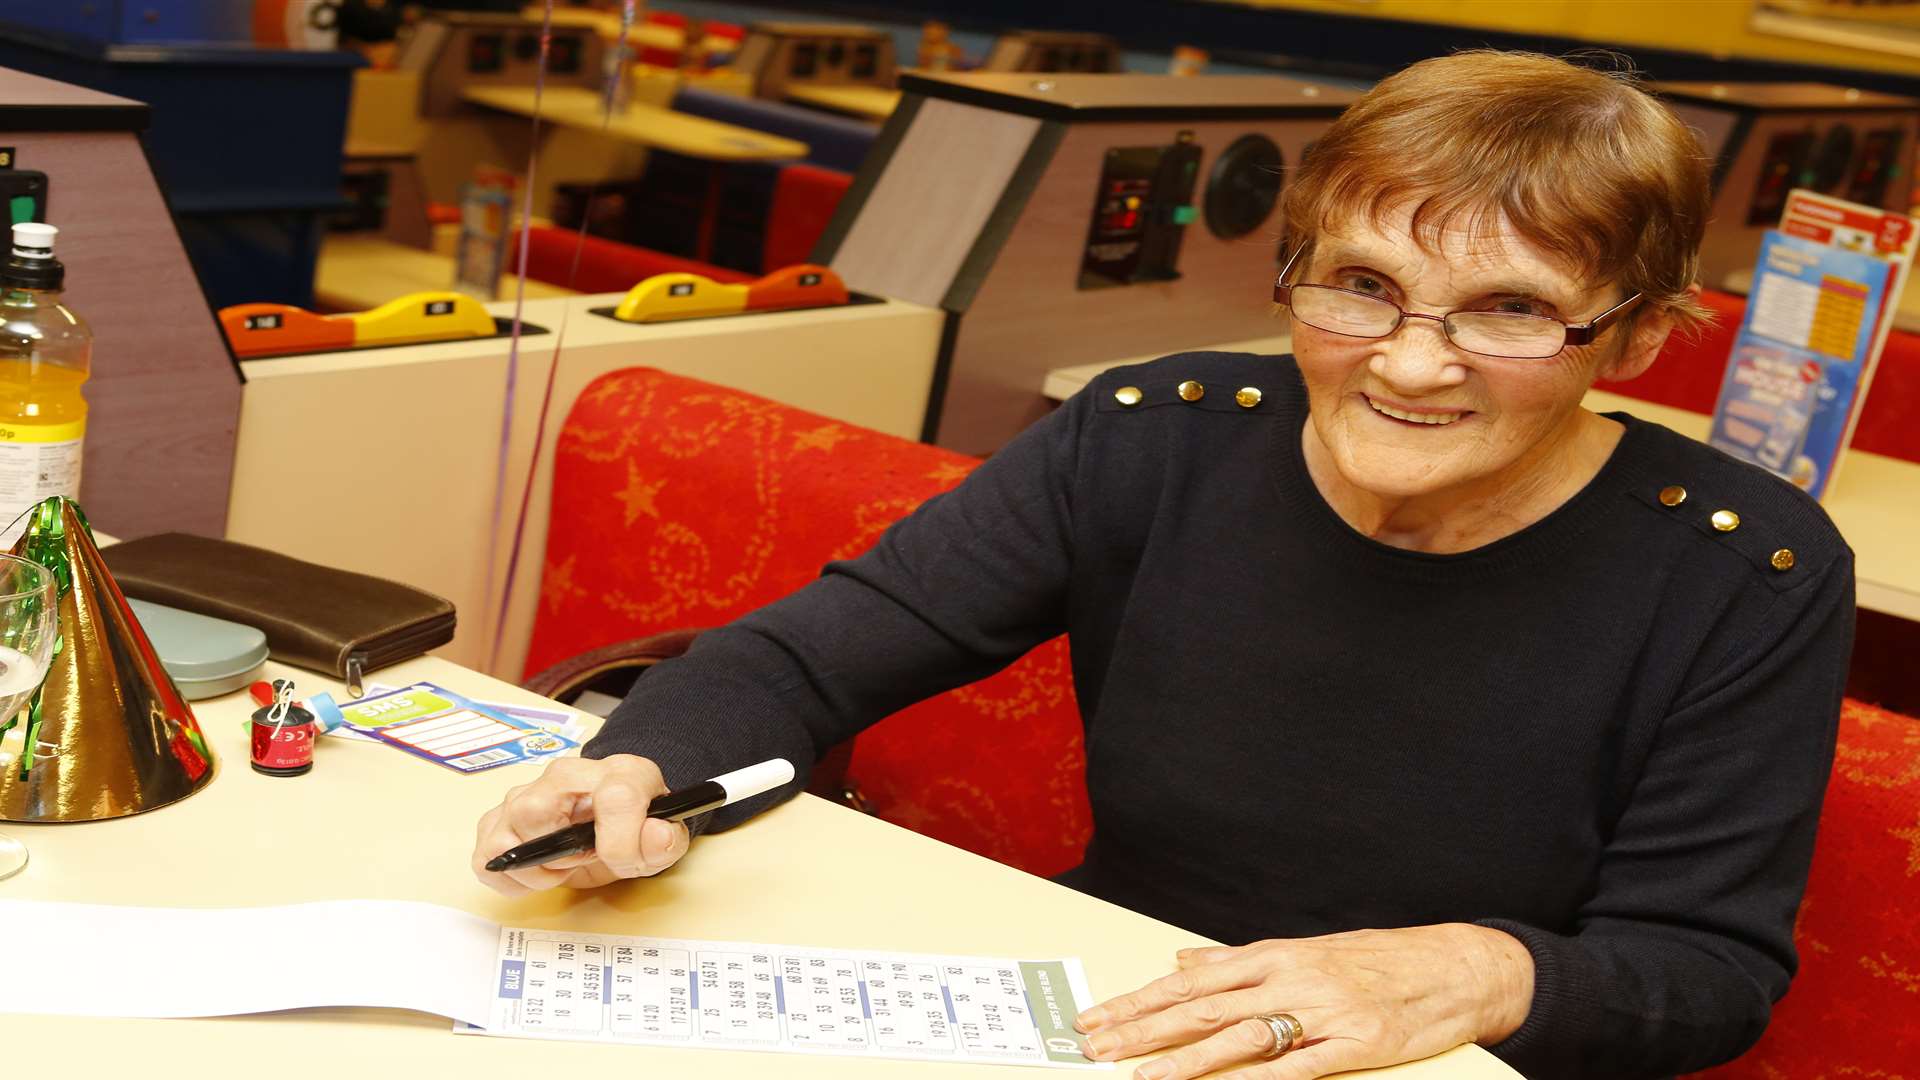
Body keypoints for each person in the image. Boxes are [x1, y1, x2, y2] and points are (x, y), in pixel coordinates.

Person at [472, 51, 1853, 1079]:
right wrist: (633, 771)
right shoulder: (1160, 435)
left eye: (1511, 313)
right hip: (1111, 1012)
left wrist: (1479, 972)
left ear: (1633, 338)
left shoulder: (1748, 569)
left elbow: (1707, 968)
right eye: (1360, 285)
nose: (1411, 362)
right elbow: (813, 653)